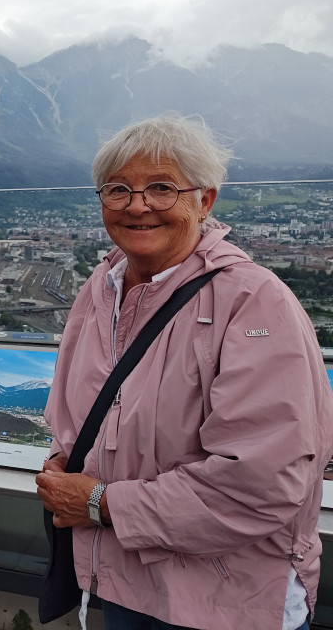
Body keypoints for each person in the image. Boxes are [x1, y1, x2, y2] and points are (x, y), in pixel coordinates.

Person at [35, 114, 333, 630]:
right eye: (118, 189)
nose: (137, 205)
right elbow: (78, 411)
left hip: (228, 599)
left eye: (162, 188)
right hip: (126, 577)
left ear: (205, 201)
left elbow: (259, 484)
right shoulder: (101, 288)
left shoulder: (255, 302)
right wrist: (68, 459)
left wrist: (101, 503)